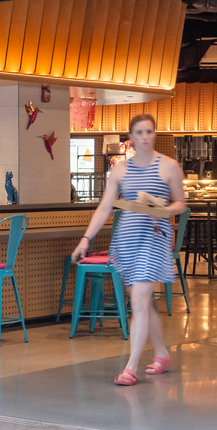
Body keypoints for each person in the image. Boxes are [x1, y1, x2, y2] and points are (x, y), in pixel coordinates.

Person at [72, 112, 186, 386]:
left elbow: (181, 203)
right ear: (131, 138)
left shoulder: (169, 166)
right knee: (143, 302)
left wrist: (165, 210)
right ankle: (161, 353)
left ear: (155, 135)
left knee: (138, 303)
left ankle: (131, 366)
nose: (145, 137)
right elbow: (105, 207)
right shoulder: (121, 170)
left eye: (150, 132)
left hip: (154, 237)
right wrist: (86, 239)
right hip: (127, 239)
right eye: (140, 132)